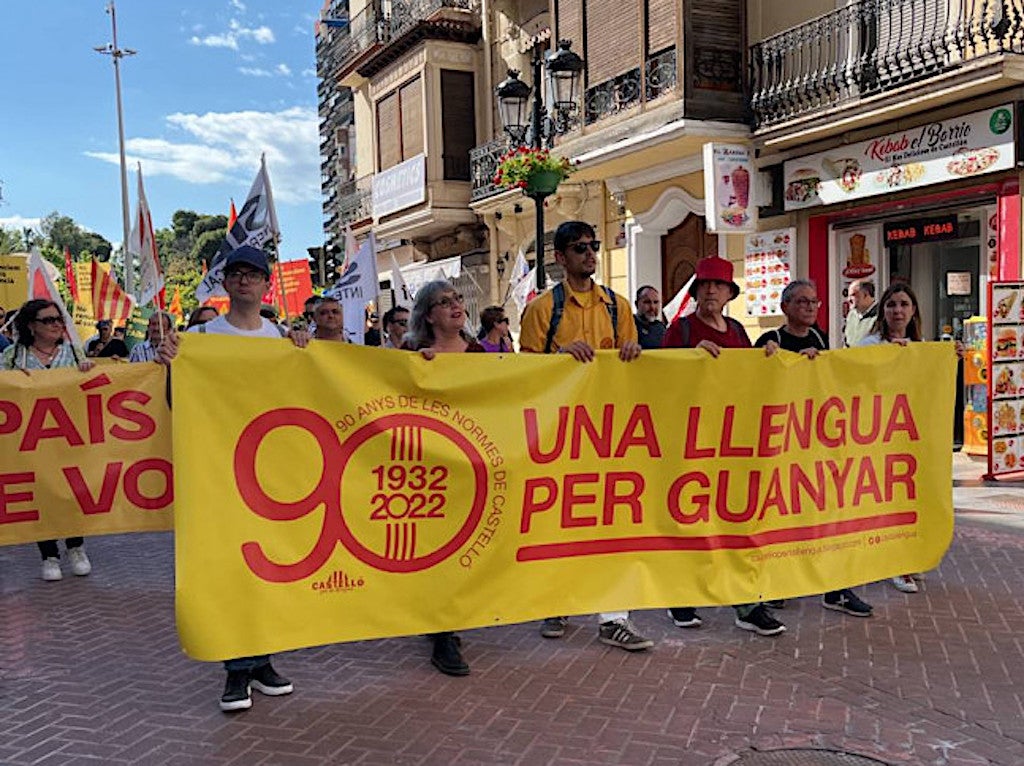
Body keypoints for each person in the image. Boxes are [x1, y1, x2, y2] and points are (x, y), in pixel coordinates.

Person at [157, 245, 308, 713]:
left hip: (273, 470)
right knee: (230, 568)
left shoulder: (281, 337)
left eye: (253, 274)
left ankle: (262, 661)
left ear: (267, 285)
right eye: (236, 273)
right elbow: (175, 399)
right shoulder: (199, 336)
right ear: (226, 284)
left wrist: (304, 353)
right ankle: (236, 671)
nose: (244, 281)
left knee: (269, 566)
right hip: (220, 468)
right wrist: (171, 364)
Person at [518, 220, 652, 652]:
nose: (589, 254)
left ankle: (614, 618)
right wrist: (558, 359)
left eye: (593, 246)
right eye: (579, 248)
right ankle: (556, 603)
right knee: (560, 521)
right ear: (560, 257)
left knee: (612, 523)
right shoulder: (541, 310)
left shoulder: (618, 306)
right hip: (560, 435)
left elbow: (634, 365)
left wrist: (633, 353)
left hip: (609, 433)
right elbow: (524, 374)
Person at [662, 257, 786, 637]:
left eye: (718, 285)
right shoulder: (680, 330)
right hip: (690, 440)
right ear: (696, 291)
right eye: (705, 285)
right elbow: (658, 379)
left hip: (732, 442)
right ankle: (681, 595)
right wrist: (688, 359)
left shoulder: (735, 330)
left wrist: (768, 359)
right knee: (690, 519)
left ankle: (746, 603)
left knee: (736, 519)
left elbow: (751, 378)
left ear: (730, 293)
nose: (711, 291)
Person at [755, 280, 872, 618]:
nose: (809, 307)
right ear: (785, 307)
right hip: (778, 446)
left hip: (816, 445)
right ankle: (773, 585)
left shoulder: (822, 340)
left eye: (814, 301)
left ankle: (835, 587)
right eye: (802, 301)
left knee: (825, 516)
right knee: (777, 516)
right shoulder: (769, 341)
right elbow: (752, 384)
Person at [399, 279, 481, 676]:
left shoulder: (479, 352)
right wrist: (413, 372)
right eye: (444, 302)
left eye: (458, 299)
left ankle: (448, 621)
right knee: (434, 547)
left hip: (470, 466)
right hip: (425, 467)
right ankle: (442, 632)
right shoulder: (410, 352)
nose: (455, 306)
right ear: (428, 315)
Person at [2, 299, 96, 581]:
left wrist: (91, 370)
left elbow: (93, 386)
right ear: (31, 325)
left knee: (70, 491)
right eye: (49, 320)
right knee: (40, 493)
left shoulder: (74, 352)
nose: (57, 324)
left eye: (59, 319)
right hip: (30, 439)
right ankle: (49, 554)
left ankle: (76, 546)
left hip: (69, 438)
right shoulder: (13, 356)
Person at [844, 279, 878, 348]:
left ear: (866, 295)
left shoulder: (881, 315)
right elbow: (847, 342)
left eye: (853, 295)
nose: (848, 300)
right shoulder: (851, 315)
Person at [634, 285, 667, 349]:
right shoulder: (629, 325)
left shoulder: (661, 328)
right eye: (647, 302)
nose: (652, 307)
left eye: (656, 302)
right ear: (636, 304)